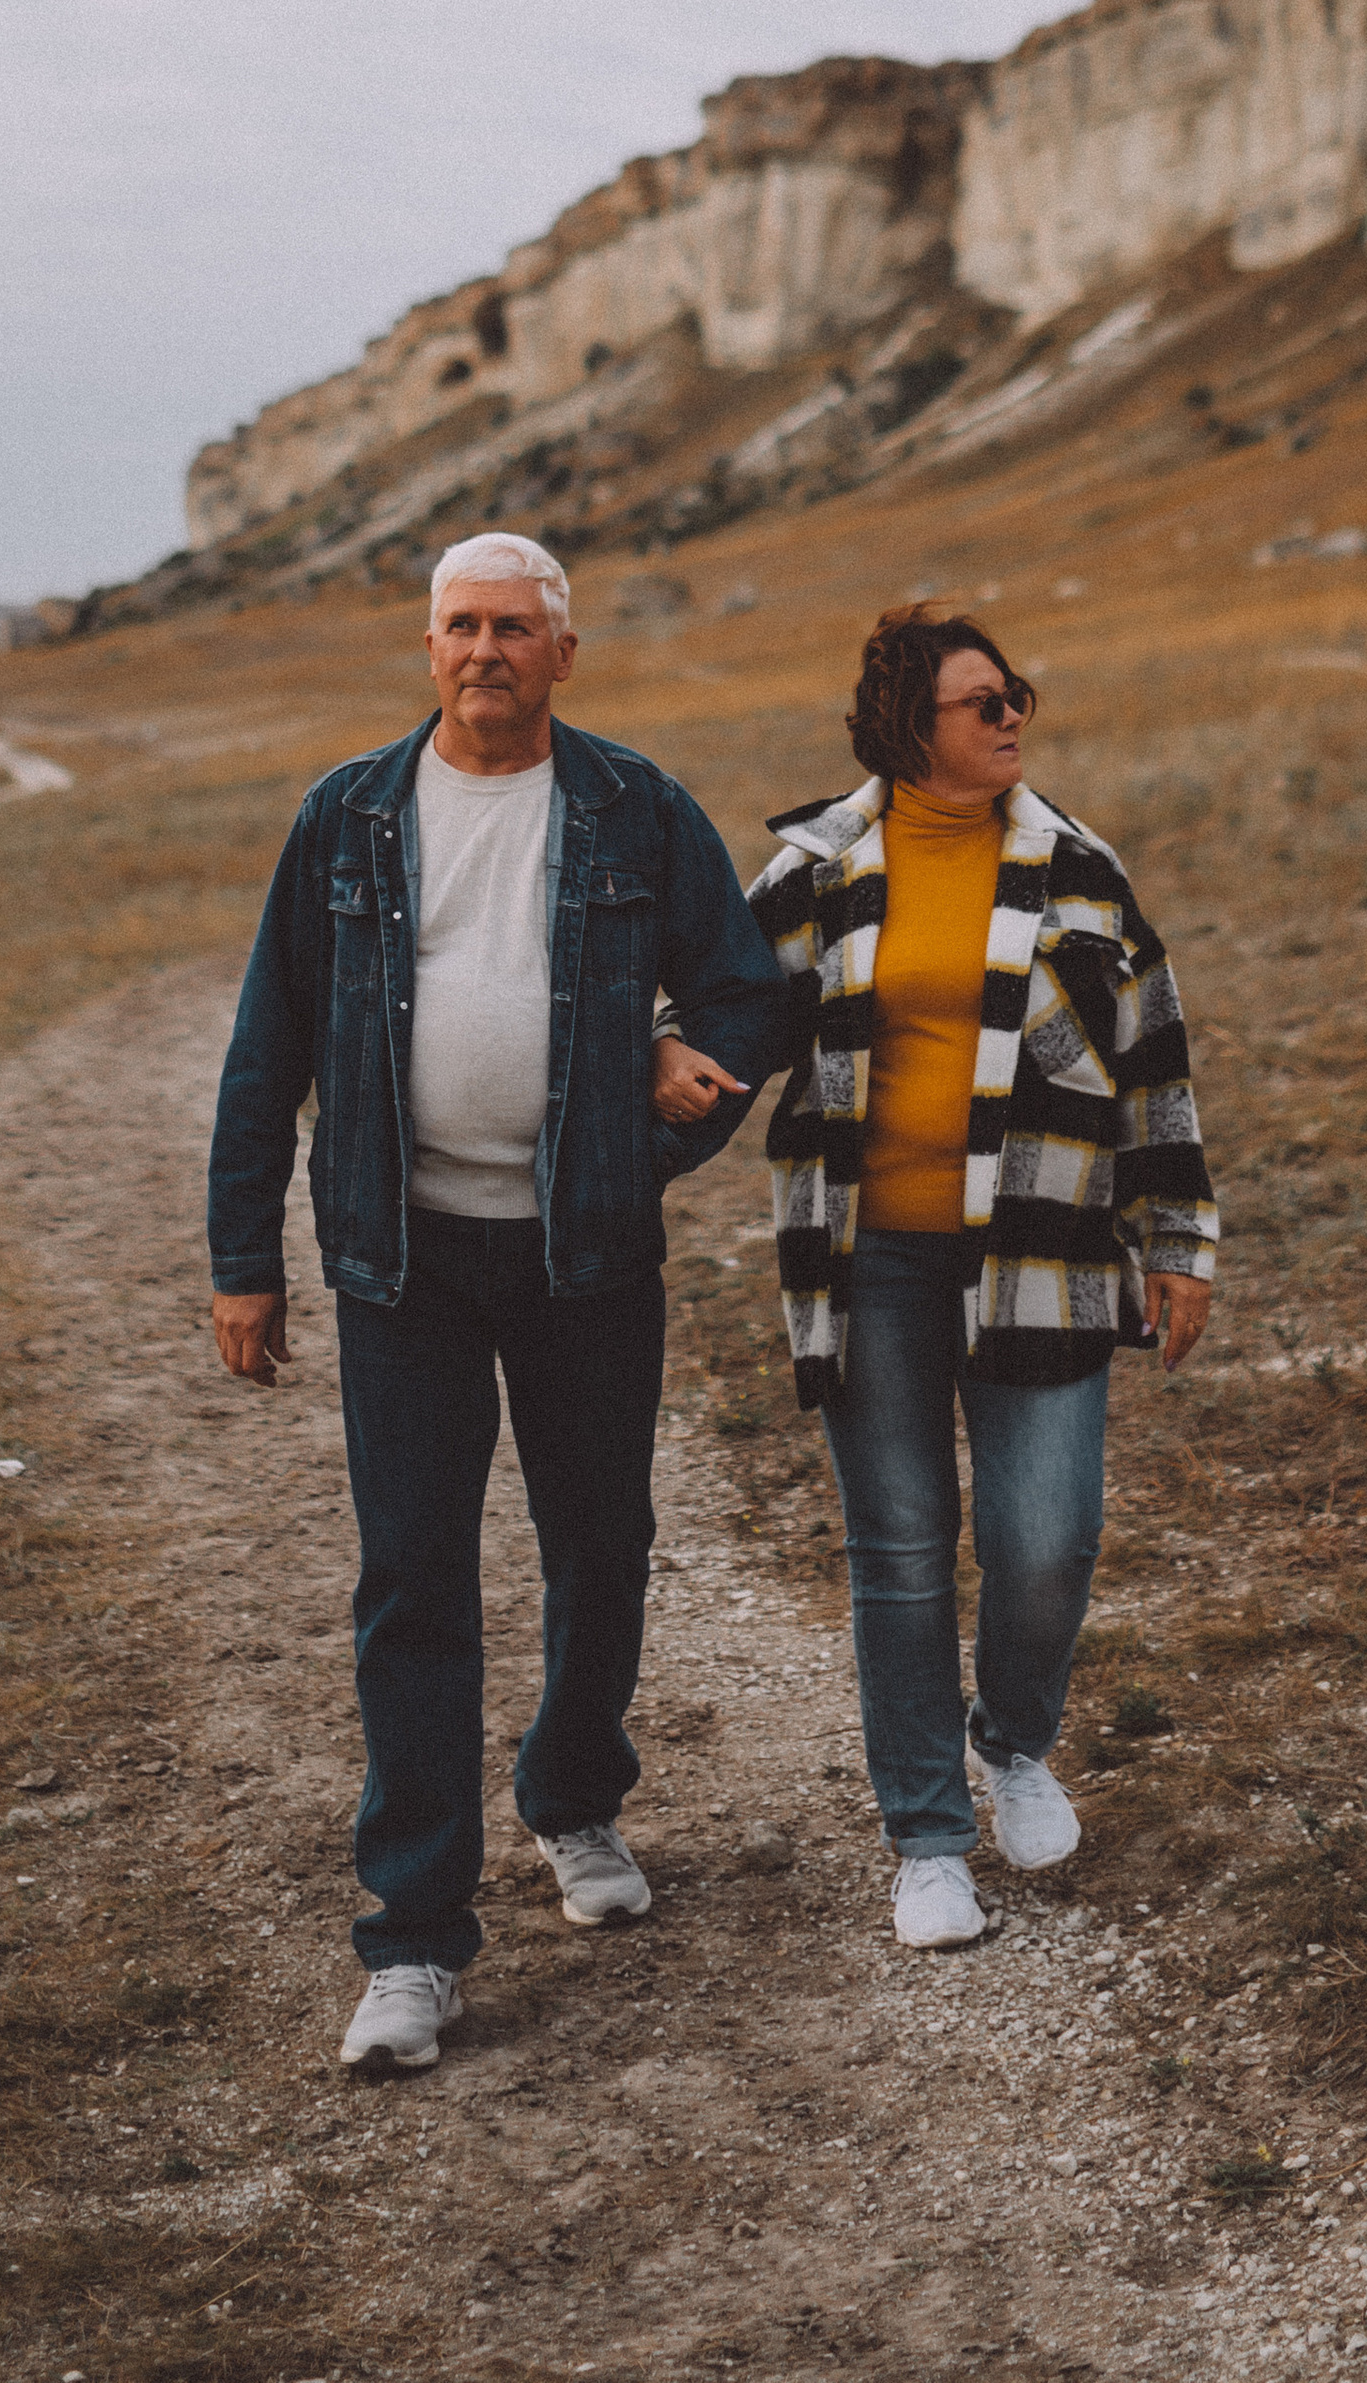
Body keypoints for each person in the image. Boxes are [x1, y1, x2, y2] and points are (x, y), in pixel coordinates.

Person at [207, 531, 797, 2076]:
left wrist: (667, 1103)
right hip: (403, 1262)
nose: (486, 652)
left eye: (515, 629)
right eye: (460, 627)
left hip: (582, 1249)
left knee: (603, 1546)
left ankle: (577, 1798)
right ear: (427, 651)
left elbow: (744, 993)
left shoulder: (631, 806)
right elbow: (270, 1042)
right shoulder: (348, 815)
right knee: (415, 1582)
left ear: (562, 653)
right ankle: (412, 1942)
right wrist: (243, 1257)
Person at [741, 603, 1217, 1948]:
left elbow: (1155, 1066)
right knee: (898, 1553)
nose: (1012, 718)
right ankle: (927, 1836)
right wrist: (666, 1057)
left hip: (1046, 1249)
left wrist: (1178, 1247)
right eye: (981, 702)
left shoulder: (1077, 867)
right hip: (868, 1256)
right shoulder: (823, 868)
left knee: (1044, 1540)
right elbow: (716, 1004)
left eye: (1016, 696)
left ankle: (1013, 1745)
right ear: (910, 725)